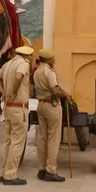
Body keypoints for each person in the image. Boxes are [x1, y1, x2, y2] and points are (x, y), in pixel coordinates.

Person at [0, 45, 33, 185]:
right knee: (17, 142)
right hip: (18, 108)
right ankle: (10, 175)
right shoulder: (23, 64)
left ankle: (4, 172)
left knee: (8, 141)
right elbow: (18, 77)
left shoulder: (8, 64)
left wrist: (3, 92)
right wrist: (14, 91)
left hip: (8, 108)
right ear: (27, 56)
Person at [33, 48, 71, 182]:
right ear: (49, 59)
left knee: (42, 138)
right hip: (52, 105)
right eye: (53, 58)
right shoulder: (49, 72)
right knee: (54, 138)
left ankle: (42, 169)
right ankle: (51, 170)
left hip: (41, 105)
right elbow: (55, 90)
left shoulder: (37, 71)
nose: (54, 60)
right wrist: (66, 95)